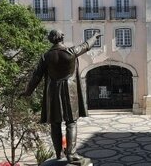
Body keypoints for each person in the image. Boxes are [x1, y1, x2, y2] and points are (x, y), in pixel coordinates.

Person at [21, 30, 99, 162]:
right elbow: (86, 45)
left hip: (53, 92)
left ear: (50, 40)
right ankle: (71, 154)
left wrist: (28, 91)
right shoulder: (71, 52)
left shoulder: (46, 56)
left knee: (55, 124)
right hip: (70, 91)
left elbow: (36, 76)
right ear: (62, 37)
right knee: (71, 123)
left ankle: (58, 154)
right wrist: (95, 37)